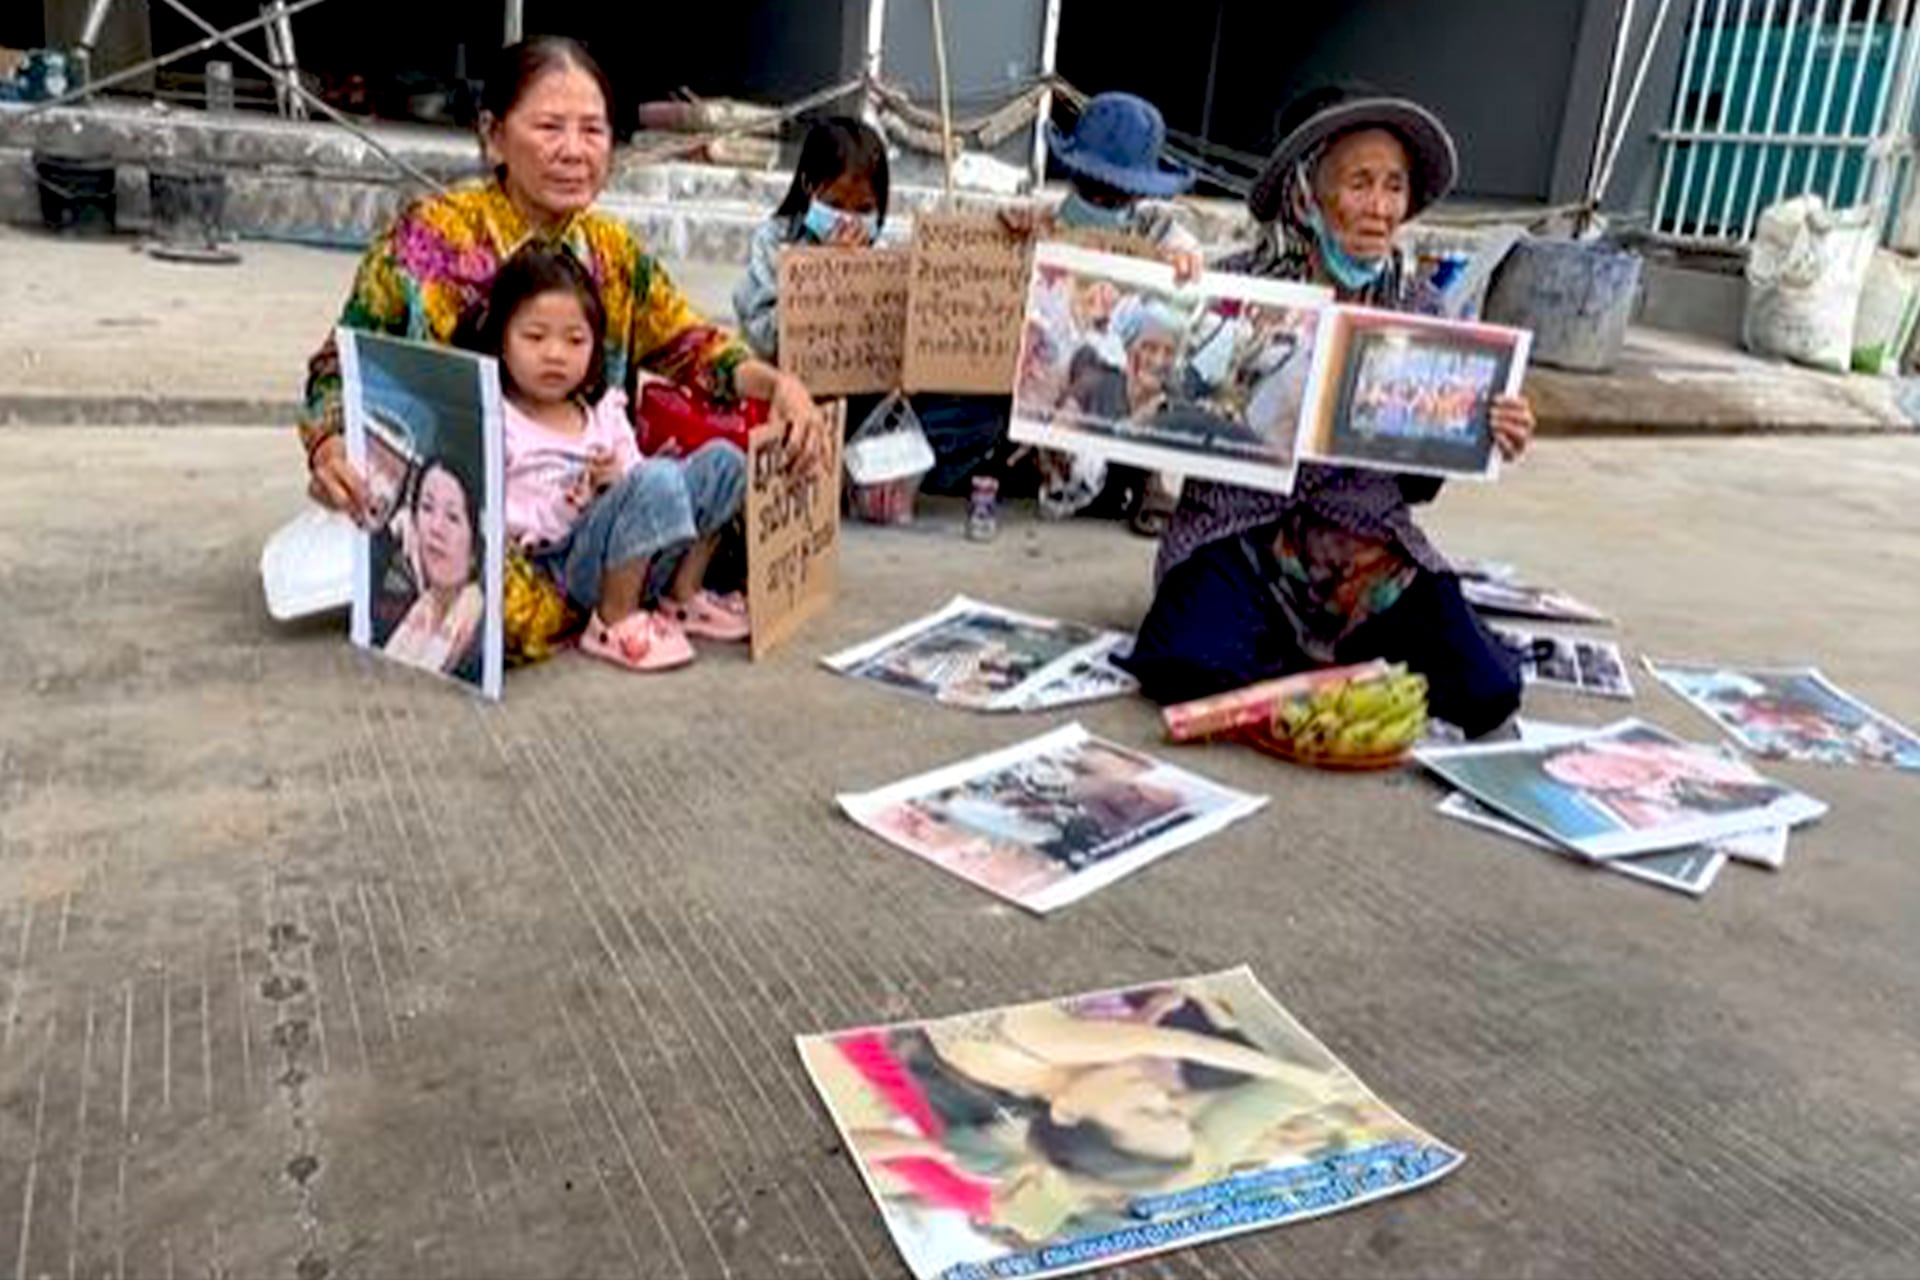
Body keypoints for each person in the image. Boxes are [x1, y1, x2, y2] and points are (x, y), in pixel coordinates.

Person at [298, 36, 825, 660]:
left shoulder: (613, 252)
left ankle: (632, 591)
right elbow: (338, 365)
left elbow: (693, 344)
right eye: (549, 127)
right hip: (485, 524)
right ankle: (609, 602)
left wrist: (780, 386)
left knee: (725, 488)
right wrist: (330, 446)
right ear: (494, 135)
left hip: (595, 507)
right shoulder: (430, 239)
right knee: (475, 605)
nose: (574, 151)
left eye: (592, 130)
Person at [1119, 86, 1537, 737]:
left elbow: (1416, 486)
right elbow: (1155, 400)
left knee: (1487, 690)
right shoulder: (1236, 288)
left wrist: (1480, 427)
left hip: (1358, 540)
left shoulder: (1421, 313)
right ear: (1307, 195)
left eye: (1394, 186)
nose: (1380, 208)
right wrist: (1164, 295)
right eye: (1359, 183)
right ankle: (1307, 648)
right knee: (1185, 666)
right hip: (1240, 532)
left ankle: (1308, 646)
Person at [462, 245, 748, 671]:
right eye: (535, 337)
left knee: (724, 462)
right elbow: (499, 512)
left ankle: (682, 596)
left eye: (575, 340)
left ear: (594, 347)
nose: (555, 354)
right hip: (564, 565)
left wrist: (615, 481)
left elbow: (641, 480)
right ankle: (614, 619)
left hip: (638, 557)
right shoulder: (500, 420)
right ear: (501, 340)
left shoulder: (604, 412)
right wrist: (571, 506)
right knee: (656, 479)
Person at [732, 116, 1011, 496]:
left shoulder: (884, 255)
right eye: (835, 205)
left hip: (867, 408)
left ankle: (874, 473)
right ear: (809, 186)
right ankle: (845, 472)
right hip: (798, 403)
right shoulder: (773, 241)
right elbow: (763, 339)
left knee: (981, 413)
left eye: (863, 209)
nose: (849, 221)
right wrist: (823, 276)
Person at [1012, 92, 1205, 533]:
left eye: (1115, 195)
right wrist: (1010, 242)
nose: (1099, 201)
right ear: (1072, 175)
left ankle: (1148, 485)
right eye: (1089, 188)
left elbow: (1188, 312)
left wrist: (1182, 275)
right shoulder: (1044, 226)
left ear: (1138, 193)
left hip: (1119, 398)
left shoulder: (1168, 240)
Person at [380, 455, 485, 682]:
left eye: (453, 517)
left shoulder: (481, 621)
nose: (436, 528)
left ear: (475, 548)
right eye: (427, 508)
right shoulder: (406, 597)